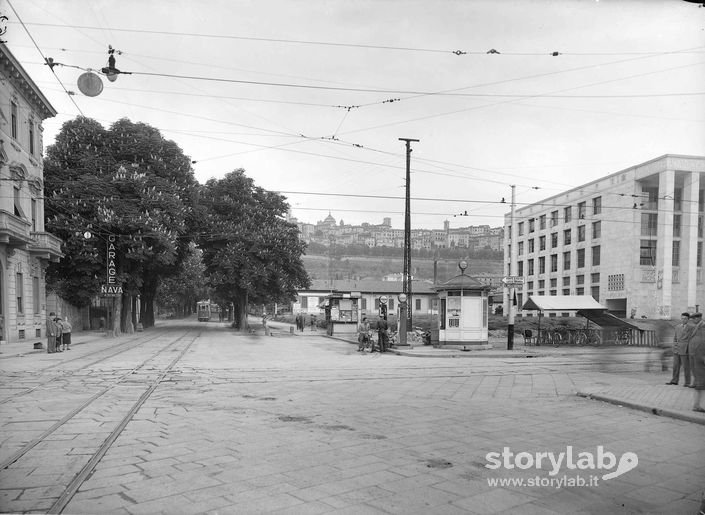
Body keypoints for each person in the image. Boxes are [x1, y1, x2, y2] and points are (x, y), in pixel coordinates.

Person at [666, 312, 694, 386]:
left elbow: (692, 339)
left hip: (685, 349)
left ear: (688, 319)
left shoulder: (691, 328)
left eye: (685, 319)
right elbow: (675, 337)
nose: (683, 320)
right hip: (677, 349)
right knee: (675, 366)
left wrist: (689, 348)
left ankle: (687, 382)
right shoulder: (677, 327)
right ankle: (674, 380)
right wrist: (674, 345)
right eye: (682, 318)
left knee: (686, 367)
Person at [687, 312, 705, 412]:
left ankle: (697, 405)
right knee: (700, 383)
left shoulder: (702, 327)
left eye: (694, 318)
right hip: (695, 358)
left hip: (700, 358)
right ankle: (696, 405)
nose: (693, 320)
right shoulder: (697, 326)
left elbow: (702, 343)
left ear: (698, 318)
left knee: (700, 383)